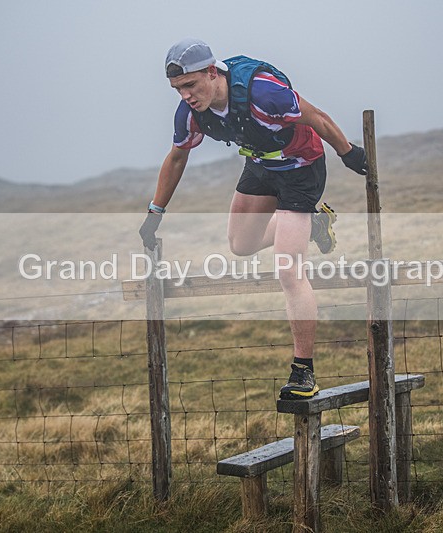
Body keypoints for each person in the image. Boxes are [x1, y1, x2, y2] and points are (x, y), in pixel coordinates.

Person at [140, 38, 368, 399]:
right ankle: (315, 225)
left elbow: (318, 118)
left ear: (212, 73)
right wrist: (155, 212)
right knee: (241, 244)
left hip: (300, 169)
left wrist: (349, 152)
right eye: (177, 89)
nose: (185, 95)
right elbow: (177, 158)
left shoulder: (264, 93)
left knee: (289, 271)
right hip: (260, 165)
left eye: (190, 85)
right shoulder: (191, 114)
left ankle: (303, 373)